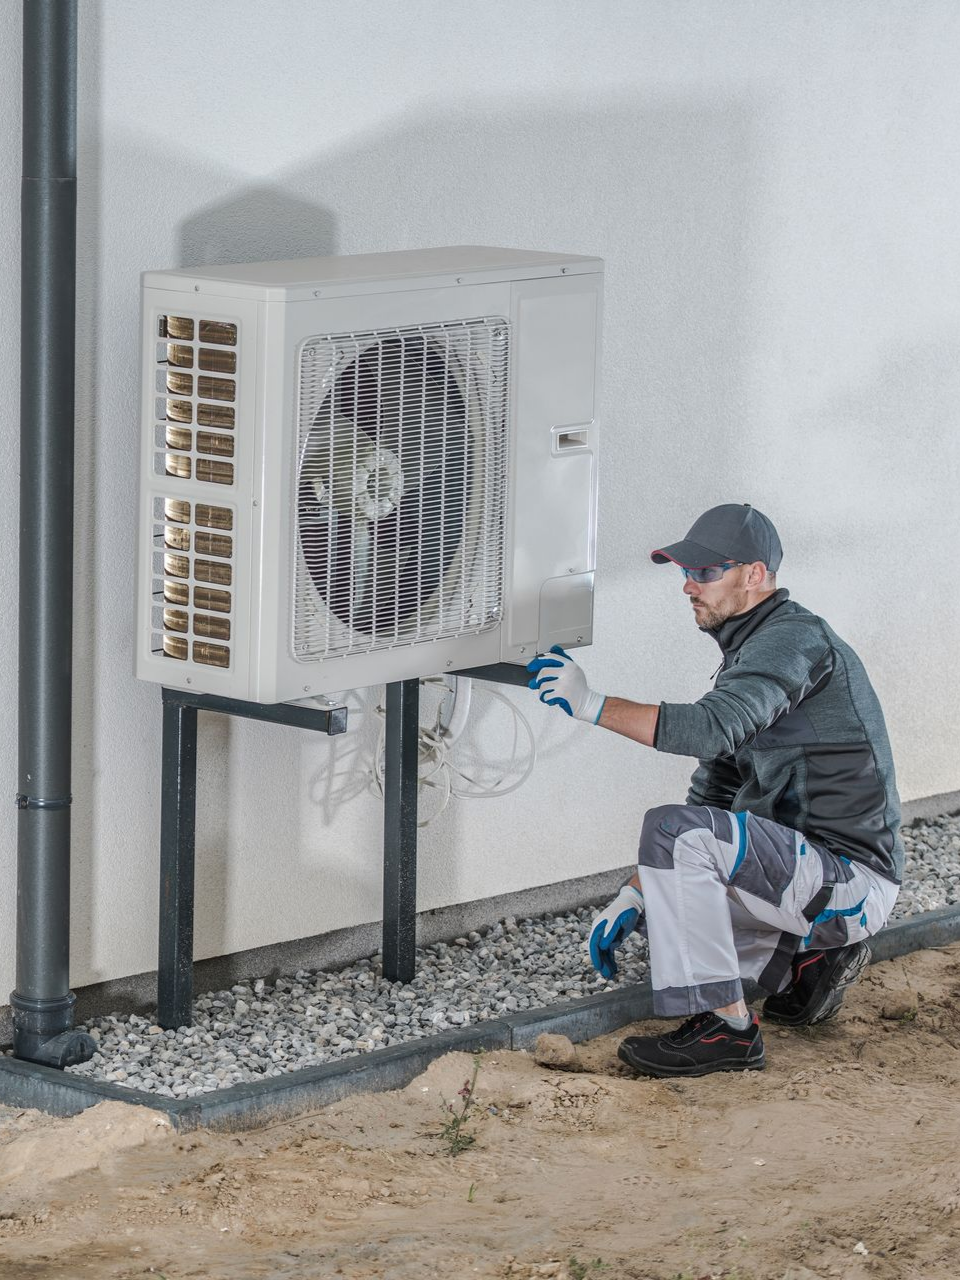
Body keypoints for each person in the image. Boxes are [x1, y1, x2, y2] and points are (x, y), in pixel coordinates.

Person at [527, 503, 902, 1078]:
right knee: (668, 899)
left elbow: (710, 727)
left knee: (672, 837)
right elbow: (715, 788)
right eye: (686, 572)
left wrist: (590, 704)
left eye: (705, 573)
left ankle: (727, 1031)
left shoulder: (792, 640)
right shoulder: (750, 651)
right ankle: (809, 964)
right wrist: (637, 890)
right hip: (808, 874)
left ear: (755, 575)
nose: (687, 586)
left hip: (848, 879)